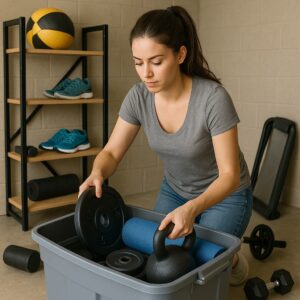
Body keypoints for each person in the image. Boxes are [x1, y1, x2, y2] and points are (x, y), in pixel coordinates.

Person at [79, 6, 253, 286]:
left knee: (194, 263)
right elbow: (111, 152)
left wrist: (193, 209)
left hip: (226, 196)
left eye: (156, 61)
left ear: (180, 55)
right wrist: (98, 171)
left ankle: (232, 260)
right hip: (175, 189)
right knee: (162, 255)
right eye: (138, 62)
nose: (145, 73)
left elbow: (229, 175)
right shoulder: (138, 97)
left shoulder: (213, 99)